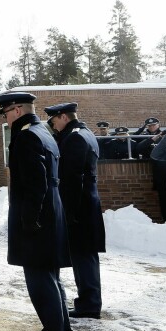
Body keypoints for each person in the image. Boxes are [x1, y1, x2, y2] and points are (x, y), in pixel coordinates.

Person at [0, 92, 72, 331]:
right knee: (50, 278)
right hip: (50, 210)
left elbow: (36, 181)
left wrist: (29, 219)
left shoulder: (27, 135)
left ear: (17, 110)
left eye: (6, 112)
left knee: (40, 280)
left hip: (38, 215)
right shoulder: (43, 131)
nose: (5, 118)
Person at [43, 103, 105, 319]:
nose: (53, 127)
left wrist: (68, 212)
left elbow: (73, 179)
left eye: (53, 122)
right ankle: (88, 301)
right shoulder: (86, 133)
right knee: (85, 256)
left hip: (80, 207)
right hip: (87, 204)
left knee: (83, 256)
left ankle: (89, 304)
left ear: (63, 117)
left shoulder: (76, 137)